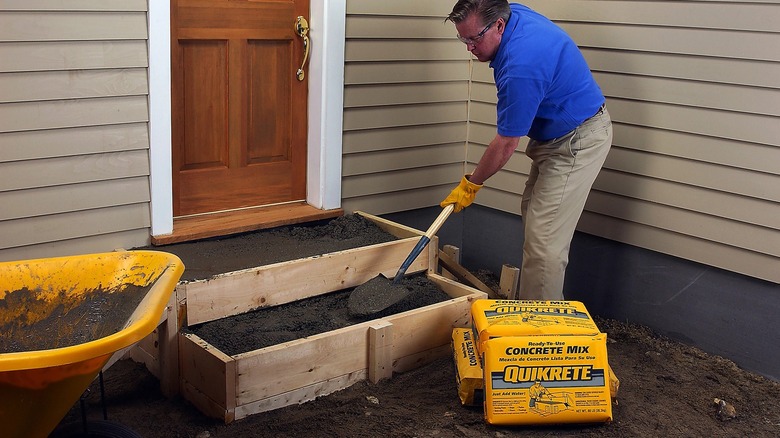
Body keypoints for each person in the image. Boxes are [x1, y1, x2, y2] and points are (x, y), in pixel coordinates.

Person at [440, 0, 613, 301]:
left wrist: (471, 184)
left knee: (544, 244)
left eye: (473, 38)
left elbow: (506, 144)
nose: (469, 47)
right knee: (535, 221)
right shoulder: (510, 12)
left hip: (577, 142)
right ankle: (532, 307)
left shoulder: (521, 67)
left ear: (499, 26)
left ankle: (542, 336)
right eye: (462, 38)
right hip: (555, 137)